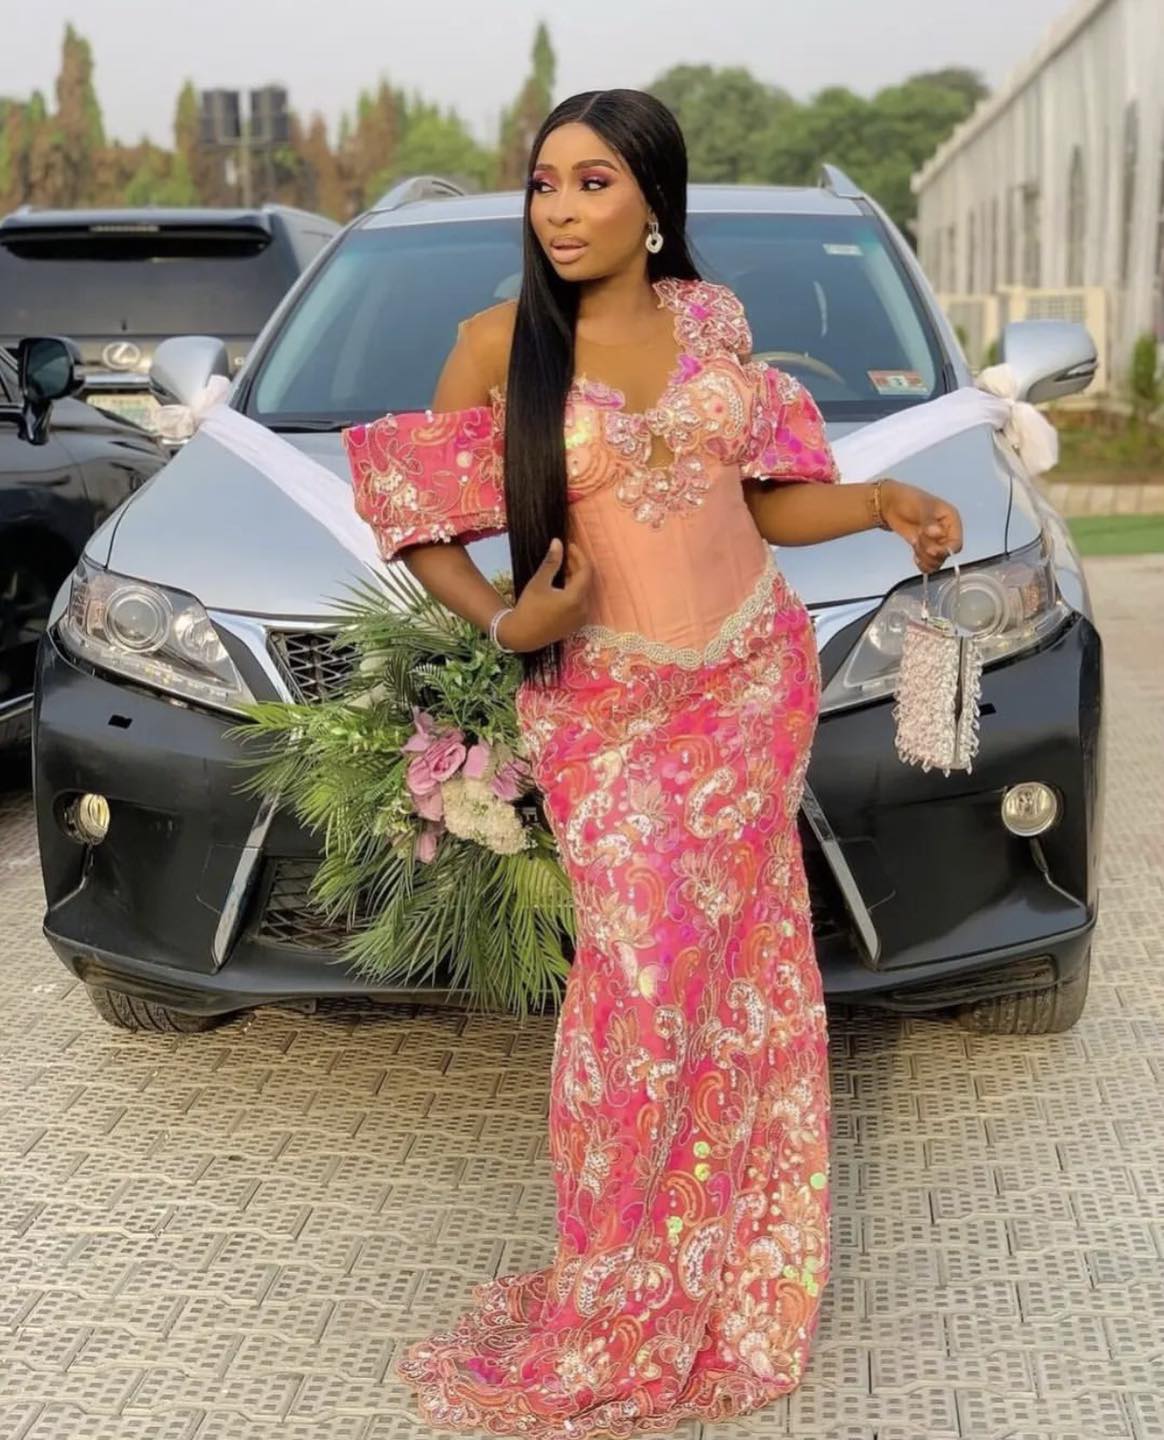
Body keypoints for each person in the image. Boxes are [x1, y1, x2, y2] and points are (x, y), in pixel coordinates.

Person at [343, 88, 963, 1440]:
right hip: (610, 714)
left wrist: (880, 501)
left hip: (750, 688)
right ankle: (623, 1287)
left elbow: (766, 503)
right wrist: (508, 623)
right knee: (638, 992)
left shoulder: (715, 323)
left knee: (748, 977)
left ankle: (735, 1272)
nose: (560, 210)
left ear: (654, 203)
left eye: (592, 183)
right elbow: (413, 514)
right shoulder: (497, 346)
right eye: (544, 184)